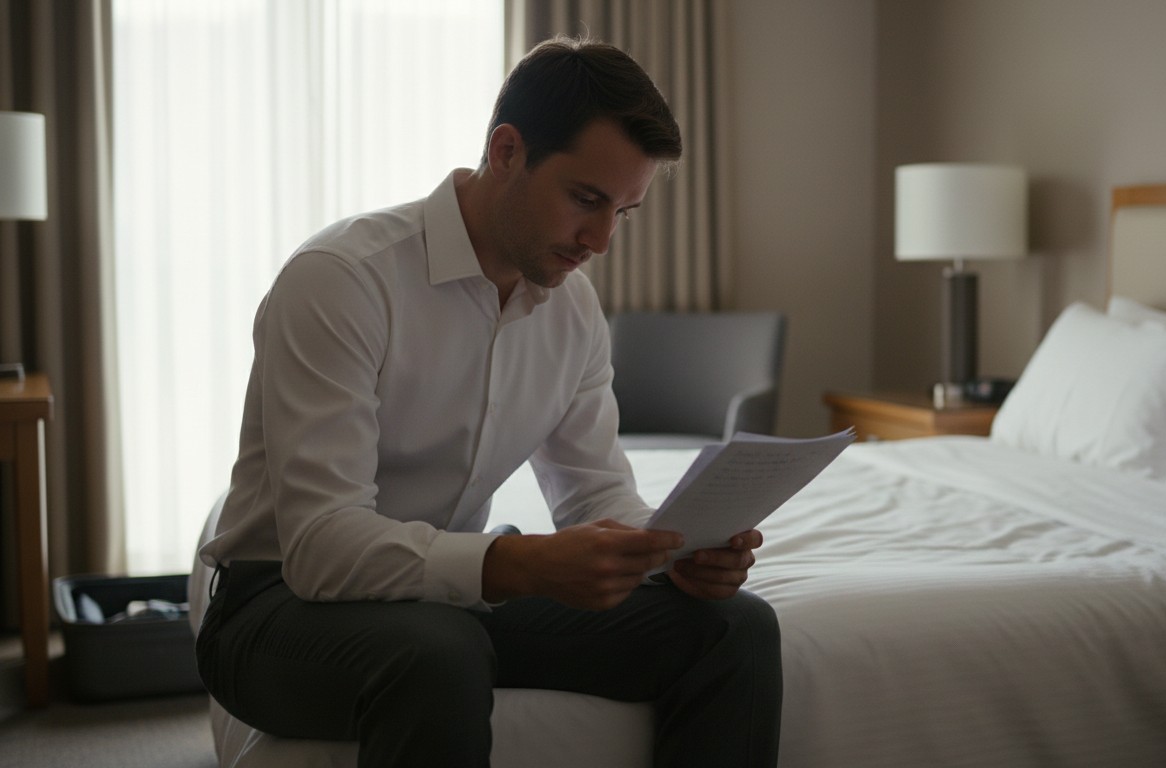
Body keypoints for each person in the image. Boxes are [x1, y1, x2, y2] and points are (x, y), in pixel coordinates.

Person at [195, 35, 783, 768]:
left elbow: (596, 493)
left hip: (448, 599)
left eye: (623, 213)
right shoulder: (343, 280)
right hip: (278, 604)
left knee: (736, 627)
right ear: (507, 151)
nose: (600, 241)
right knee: (440, 653)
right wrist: (521, 565)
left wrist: (673, 554)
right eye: (586, 200)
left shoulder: (571, 313)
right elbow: (320, 550)